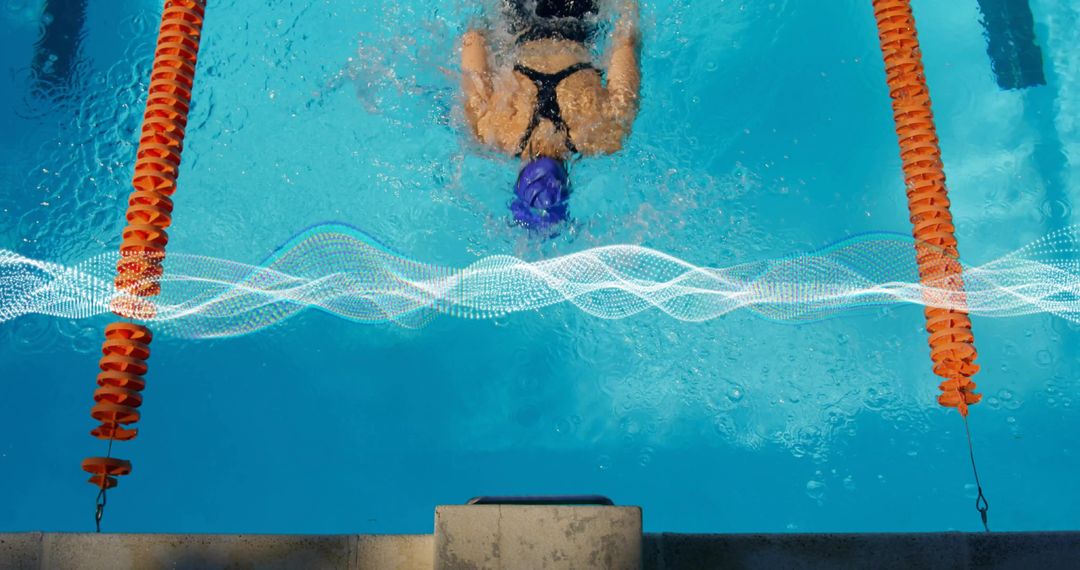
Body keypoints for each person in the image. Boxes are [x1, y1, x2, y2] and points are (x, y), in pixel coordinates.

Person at [460, 0, 641, 230]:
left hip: (582, 16)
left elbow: (626, 40)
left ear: (568, 187)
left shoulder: (605, 134)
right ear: (517, 185)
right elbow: (473, 39)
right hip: (517, 17)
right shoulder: (491, 131)